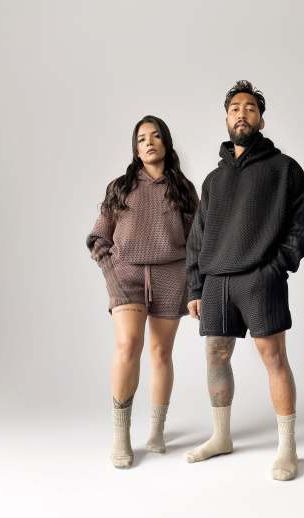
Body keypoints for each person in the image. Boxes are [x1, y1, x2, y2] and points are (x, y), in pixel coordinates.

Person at [185, 80, 304, 480]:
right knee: (215, 355)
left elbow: (303, 222)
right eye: (234, 109)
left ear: (260, 119)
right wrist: (196, 286)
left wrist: (278, 265)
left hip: (260, 278)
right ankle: (221, 436)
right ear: (226, 119)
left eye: (250, 108)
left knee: (273, 358)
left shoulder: (284, 169)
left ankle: (287, 448)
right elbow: (198, 235)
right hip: (217, 280)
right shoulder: (213, 180)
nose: (241, 114)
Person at [86, 115, 199, 469]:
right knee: (127, 346)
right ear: (135, 149)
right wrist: (111, 272)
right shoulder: (120, 187)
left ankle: (156, 430)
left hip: (171, 276)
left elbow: (196, 242)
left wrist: (195, 285)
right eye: (141, 139)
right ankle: (121, 435)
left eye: (155, 136)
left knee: (161, 353)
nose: (148, 142)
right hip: (128, 275)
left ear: (165, 142)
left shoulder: (183, 189)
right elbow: (98, 237)